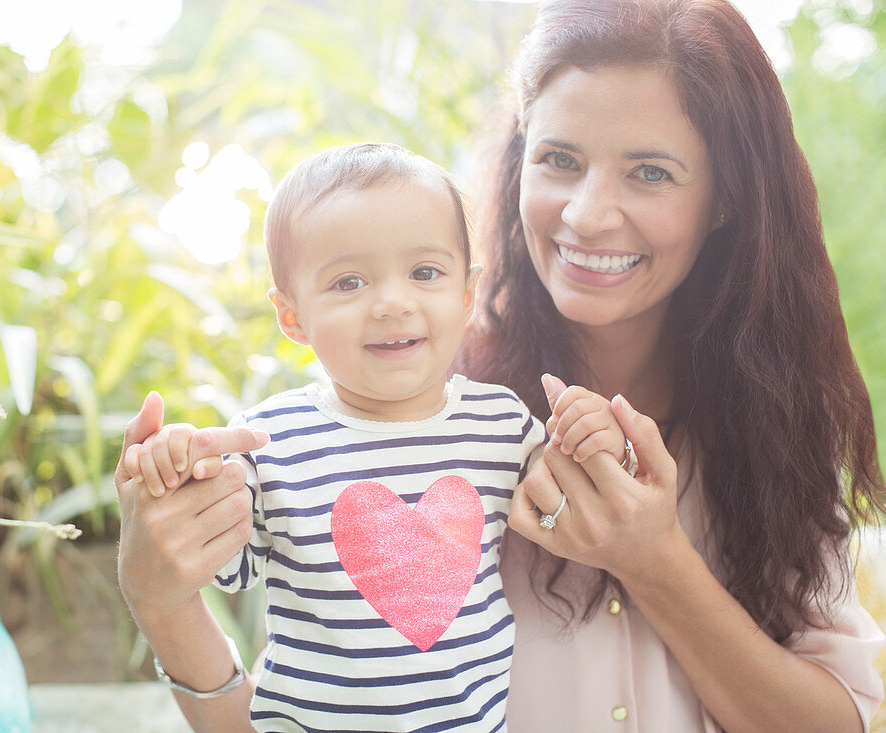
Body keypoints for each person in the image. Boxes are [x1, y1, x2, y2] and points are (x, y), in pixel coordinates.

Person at [115, 1, 886, 731]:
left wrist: (655, 560)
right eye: (559, 159)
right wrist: (158, 598)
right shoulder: (422, 417)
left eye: (650, 171)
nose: (586, 214)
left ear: (726, 199)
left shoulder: (775, 431)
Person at [125, 141, 592, 731]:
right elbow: (215, 565)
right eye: (348, 282)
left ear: (467, 294)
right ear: (292, 316)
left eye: (425, 272)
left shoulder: (503, 424)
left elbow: (573, 522)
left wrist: (589, 442)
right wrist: (176, 475)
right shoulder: (267, 442)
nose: (393, 302)